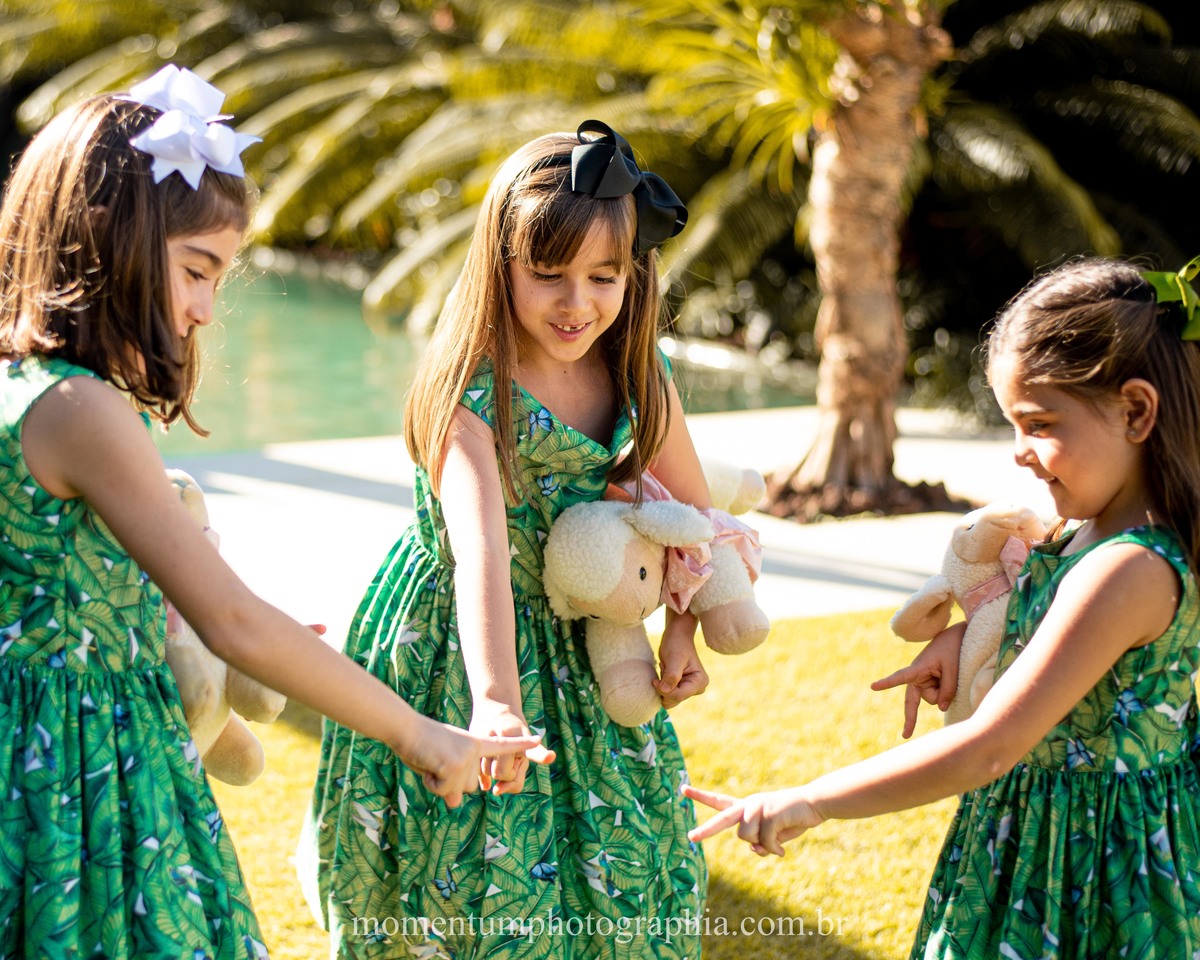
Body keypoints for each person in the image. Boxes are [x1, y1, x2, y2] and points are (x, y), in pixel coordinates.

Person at [0, 64, 542, 957]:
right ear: (111, 240)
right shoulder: (84, 412)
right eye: (196, 271)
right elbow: (235, 621)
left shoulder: (29, 391)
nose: (207, 308)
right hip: (82, 770)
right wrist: (419, 735)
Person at [685, 255, 1200, 958]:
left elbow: (988, 747)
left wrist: (812, 799)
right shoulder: (1092, 535)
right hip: (1039, 840)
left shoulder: (1126, 568)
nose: (1020, 453)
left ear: (1136, 411)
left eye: (1039, 423)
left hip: (1087, 870)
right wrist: (970, 639)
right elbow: (1085, 662)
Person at [298, 121, 716, 958]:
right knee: (467, 878)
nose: (577, 304)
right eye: (548, 275)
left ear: (634, 272)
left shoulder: (637, 368)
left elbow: (689, 520)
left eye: (603, 277)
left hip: (587, 643)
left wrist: (679, 629)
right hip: (461, 647)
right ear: (502, 266)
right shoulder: (471, 393)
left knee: (621, 870)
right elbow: (481, 554)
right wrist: (495, 702)